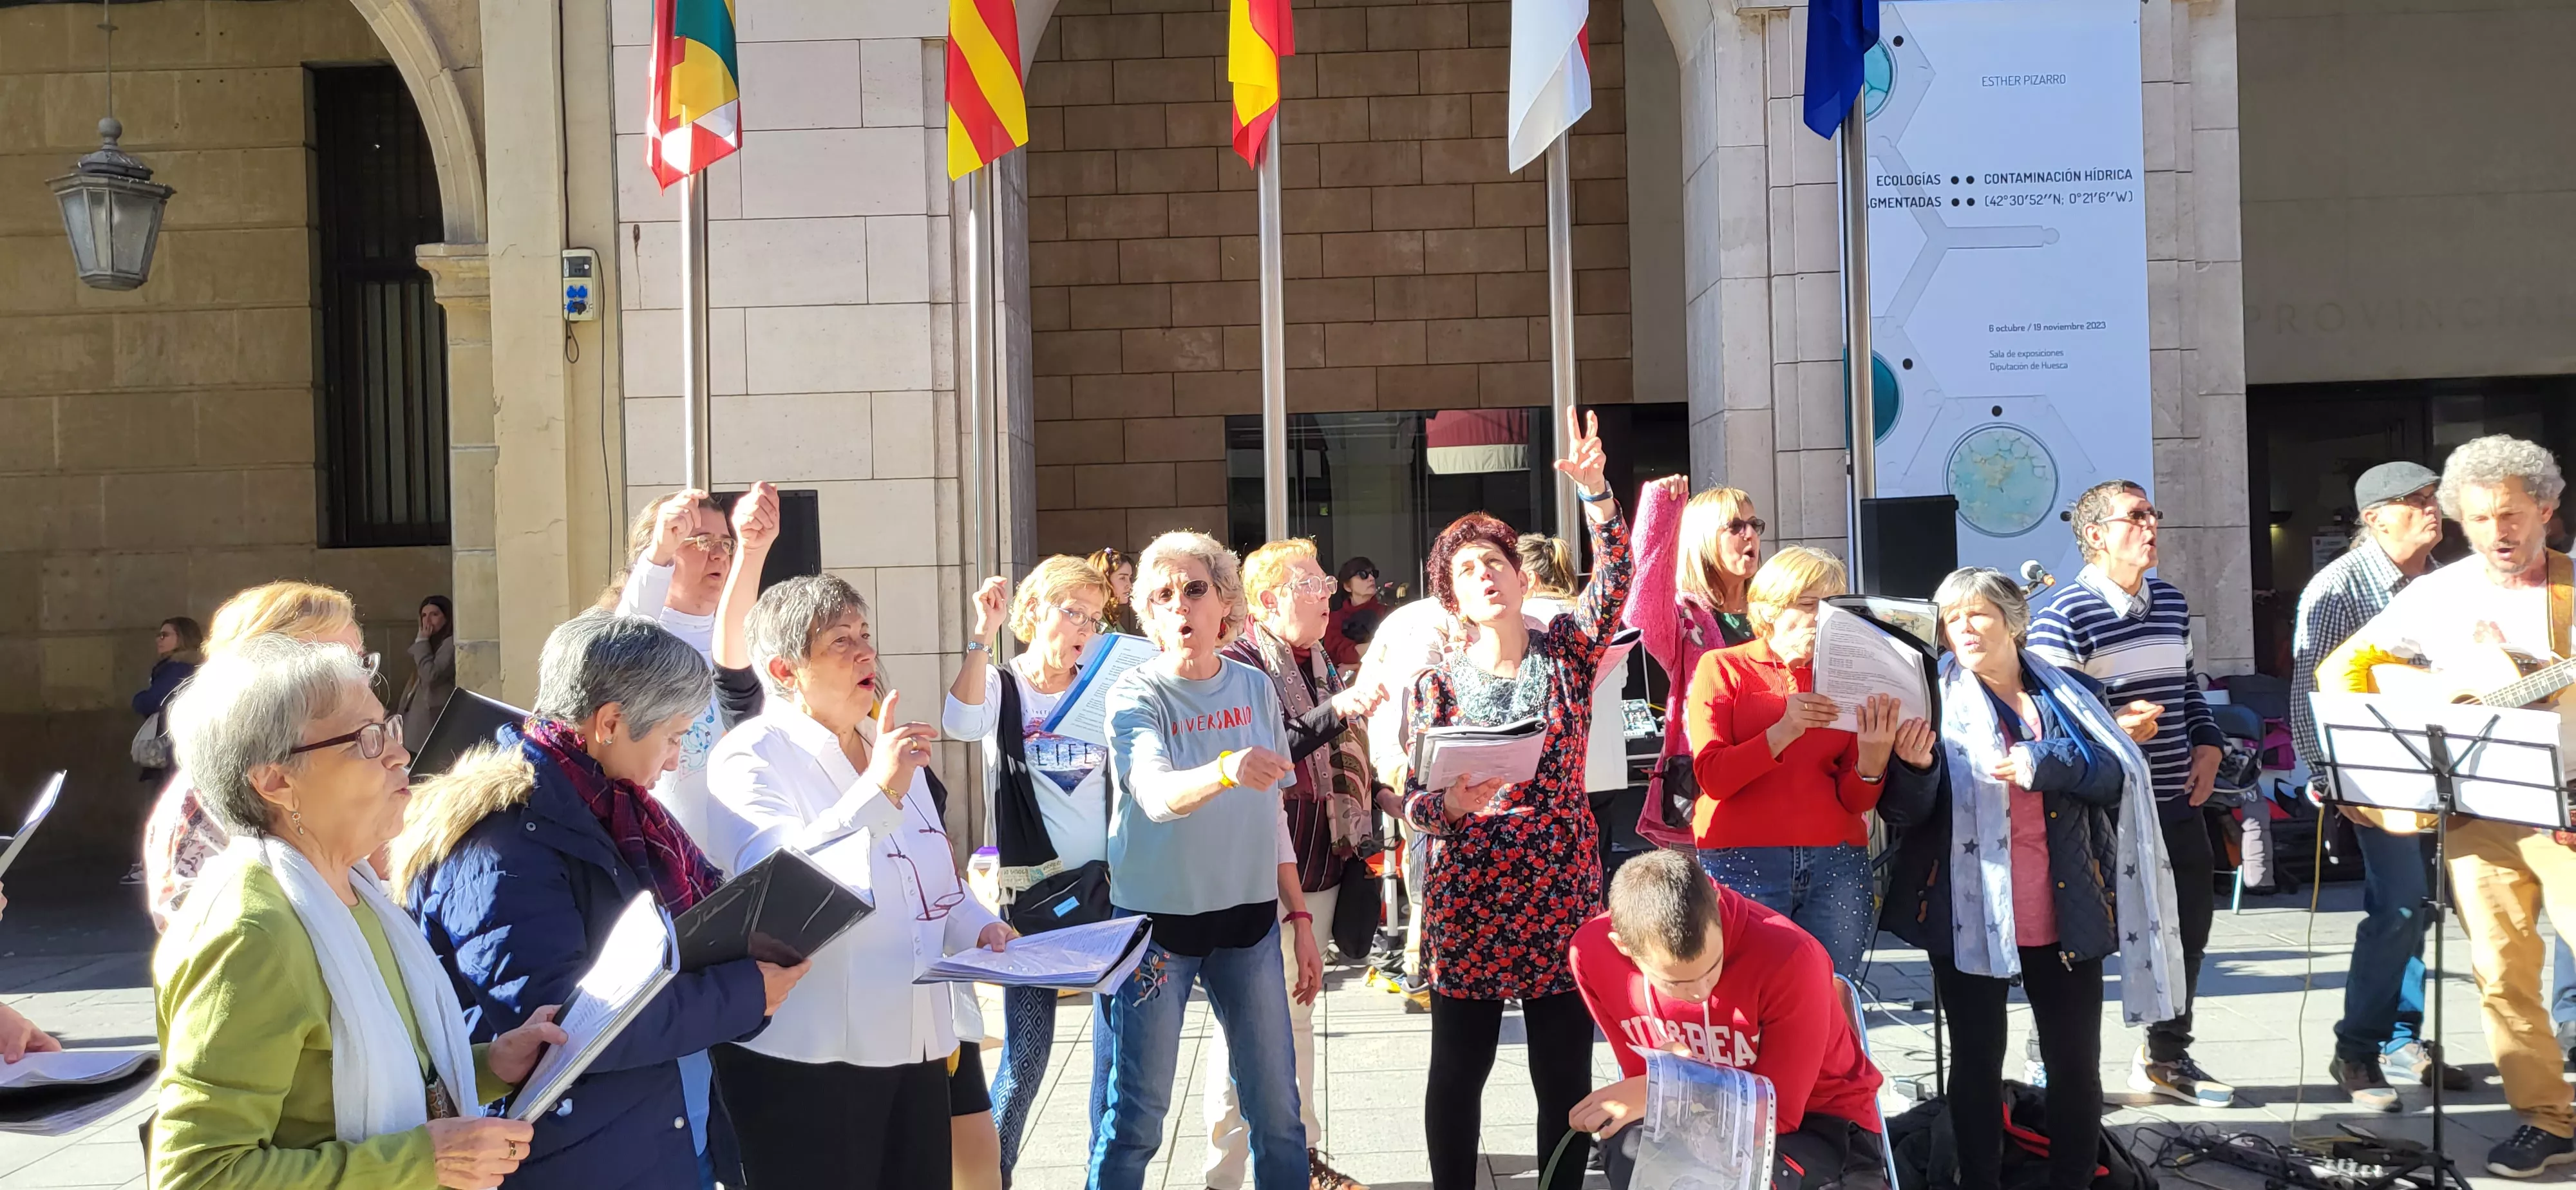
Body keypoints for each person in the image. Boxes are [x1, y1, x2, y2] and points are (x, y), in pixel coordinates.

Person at [393, 611, 799, 1190]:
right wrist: (744, 994)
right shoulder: (502, 840)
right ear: (610, 722)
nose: (674, 760)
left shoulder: (624, 811)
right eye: (673, 736)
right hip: (573, 1159)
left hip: (662, 1135)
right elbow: (563, 1028)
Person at [153, 634, 565, 1190]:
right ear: (276, 781)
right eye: (367, 740)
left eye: (390, 727)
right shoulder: (254, 933)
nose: (401, 753)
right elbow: (197, 1175)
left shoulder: (351, 889)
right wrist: (422, 1162)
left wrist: (493, 1064)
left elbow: (375, 1076)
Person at [704, 574, 1015, 1187]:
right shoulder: (750, 755)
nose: (865, 653)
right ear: (785, 670)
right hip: (812, 1058)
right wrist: (877, 792)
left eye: (865, 635)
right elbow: (781, 888)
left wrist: (985, 930)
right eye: (839, 641)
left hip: (920, 1044)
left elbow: (935, 886)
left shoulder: (888, 747)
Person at [1880, 568, 2186, 1190]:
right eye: (1951, 617)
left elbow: (2110, 775)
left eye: (1978, 615)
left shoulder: (2069, 691)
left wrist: (2041, 761)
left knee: (2074, 1064)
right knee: (1975, 1063)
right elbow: (1905, 814)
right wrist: (1914, 767)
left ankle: (2074, 1179)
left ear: (2014, 623)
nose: (1962, 628)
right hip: (1968, 911)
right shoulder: (1930, 697)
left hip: (2063, 904)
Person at [2320, 435, 2576, 1177]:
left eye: (2513, 514)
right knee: (2502, 974)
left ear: (2546, 510)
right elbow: (2346, 667)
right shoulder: (2436, 594)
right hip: (2476, 815)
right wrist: (2387, 761)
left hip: (2567, 812)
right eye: (2480, 517)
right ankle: (2548, 1116)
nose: (2498, 531)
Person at [1401, 408, 1629, 1190]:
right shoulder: (1434, 683)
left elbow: (1617, 582)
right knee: (1457, 1070)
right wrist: (1452, 806)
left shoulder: (1567, 652)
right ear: (1452, 598)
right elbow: (1413, 804)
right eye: (1467, 571)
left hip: (1559, 881)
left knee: (1562, 1071)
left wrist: (1597, 494)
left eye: (1495, 562)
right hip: (1469, 890)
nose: (1485, 576)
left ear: (1522, 576)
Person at [1090, 531, 1320, 1190]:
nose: (1180, 606)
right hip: (1156, 931)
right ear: (1149, 618)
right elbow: (1157, 796)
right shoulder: (1134, 695)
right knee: (1135, 1120)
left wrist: (1299, 916)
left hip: (1248, 925)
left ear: (1225, 605)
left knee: (1278, 1115)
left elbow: (1272, 811)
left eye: (1194, 590)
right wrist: (1224, 767)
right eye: (1162, 596)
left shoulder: (1252, 686)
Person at [2026, 478, 2234, 1106]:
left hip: (2174, 800)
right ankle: (2053, 1067)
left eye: (2152, 514)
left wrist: (2209, 744)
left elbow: (2187, 687)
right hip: (2096, 810)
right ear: (2094, 536)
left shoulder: (2169, 602)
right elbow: (2049, 719)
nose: (2150, 526)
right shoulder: (2062, 615)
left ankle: (2165, 1058)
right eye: (2134, 516)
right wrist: (2115, 729)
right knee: (2079, 943)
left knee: (2186, 932)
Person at [1206, 538, 1390, 1190]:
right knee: (1259, 1030)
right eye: (1310, 585)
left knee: (1291, 1020)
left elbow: (1346, 762)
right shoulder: (1238, 665)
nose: (1329, 596)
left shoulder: (1321, 663)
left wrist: (1399, 796)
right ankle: (1246, 1170)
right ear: (1267, 601)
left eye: (1324, 585)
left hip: (1321, 866)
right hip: (1261, 872)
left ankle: (1273, 1162)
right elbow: (1261, 758)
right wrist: (1334, 711)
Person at [2287, 460, 2465, 1108]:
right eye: (2415, 501)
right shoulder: (2338, 589)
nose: (2431, 509)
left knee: (2422, 908)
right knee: (2394, 906)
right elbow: (2308, 689)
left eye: (2434, 499)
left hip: (2442, 771)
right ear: (2373, 518)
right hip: (2372, 777)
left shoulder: (2447, 584)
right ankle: (2355, 1052)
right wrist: (2332, 783)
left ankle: (2401, 1036)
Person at [1567, 851, 1888, 1190]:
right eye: (1676, 982)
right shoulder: (1590, 955)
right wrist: (1665, 1091)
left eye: (1713, 966)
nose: (1700, 992)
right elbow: (1643, 1075)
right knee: (1629, 1149)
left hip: (1819, 1124)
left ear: (1718, 908)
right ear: (1623, 948)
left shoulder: (1790, 956)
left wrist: (1671, 1091)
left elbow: (1779, 1116)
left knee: (1724, 1177)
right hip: (1695, 1114)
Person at [944, 557, 1116, 1184]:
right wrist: (979, 638)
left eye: (1094, 618)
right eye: (1071, 611)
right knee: (1024, 1058)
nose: (1082, 628)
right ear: (1034, 612)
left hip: (1109, 897)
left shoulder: (1102, 686)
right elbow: (958, 724)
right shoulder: (1004, 685)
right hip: (1032, 908)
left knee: (1121, 1060)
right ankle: (997, 1177)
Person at [1683, 547, 1889, 976]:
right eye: (1810, 604)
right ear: (1769, 608)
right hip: (1742, 857)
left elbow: (1856, 800)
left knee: (1834, 996)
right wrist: (1782, 731)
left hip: (1836, 859)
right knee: (1746, 998)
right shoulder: (1722, 668)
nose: (1822, 618)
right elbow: (1713, 777)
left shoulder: (1845, 675)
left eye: (1834, 606)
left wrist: (1873, 757)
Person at [143, 582, 372, 931]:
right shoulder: (208, 796)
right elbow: (209, 942)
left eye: (361, 664)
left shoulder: (347, 767)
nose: (364, 682)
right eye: (340, 667)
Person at [611, 482, 779, 847]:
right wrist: (659, 553)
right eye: (701, 541)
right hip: (662, 859)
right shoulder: (641, 636)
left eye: (725, 543)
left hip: (742, 855)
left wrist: (754, 545)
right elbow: (623, 644)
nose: (718, 555)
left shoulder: (748, 641)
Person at [1627, 480, 1763, 849]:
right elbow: (1640, 607)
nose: (1750, 534)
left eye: (1755, 525)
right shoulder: (1686, 620)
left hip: (1774, 791)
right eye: (1736, 526)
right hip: (1707, 800)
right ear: (1703, 538)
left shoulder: (1775, 612)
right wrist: (1662, 509)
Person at [395, 597, 455, 750]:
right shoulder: (430, 643)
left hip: (432, 721)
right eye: (424, 615)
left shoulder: (449, 644)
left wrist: (422, 642)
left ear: (447, 618)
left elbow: (431, 675)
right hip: (417, 720)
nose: (428, 621)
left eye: (434, 615)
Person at [1322, 556, 1384, 667]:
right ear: (1347, 586)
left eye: (1373, 574)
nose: (1371, 578)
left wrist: (1355, 666)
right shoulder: (1334, 619)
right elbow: (1341, 655)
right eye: (1363, 575)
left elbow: (1393, 650)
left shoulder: (1387, 613)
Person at [1092, 547, 1142, 637]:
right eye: (1122, 578)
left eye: (1130, 578)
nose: (1130, 585)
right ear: (1104, 580)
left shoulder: (1110, 616)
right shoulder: (1092, 620)